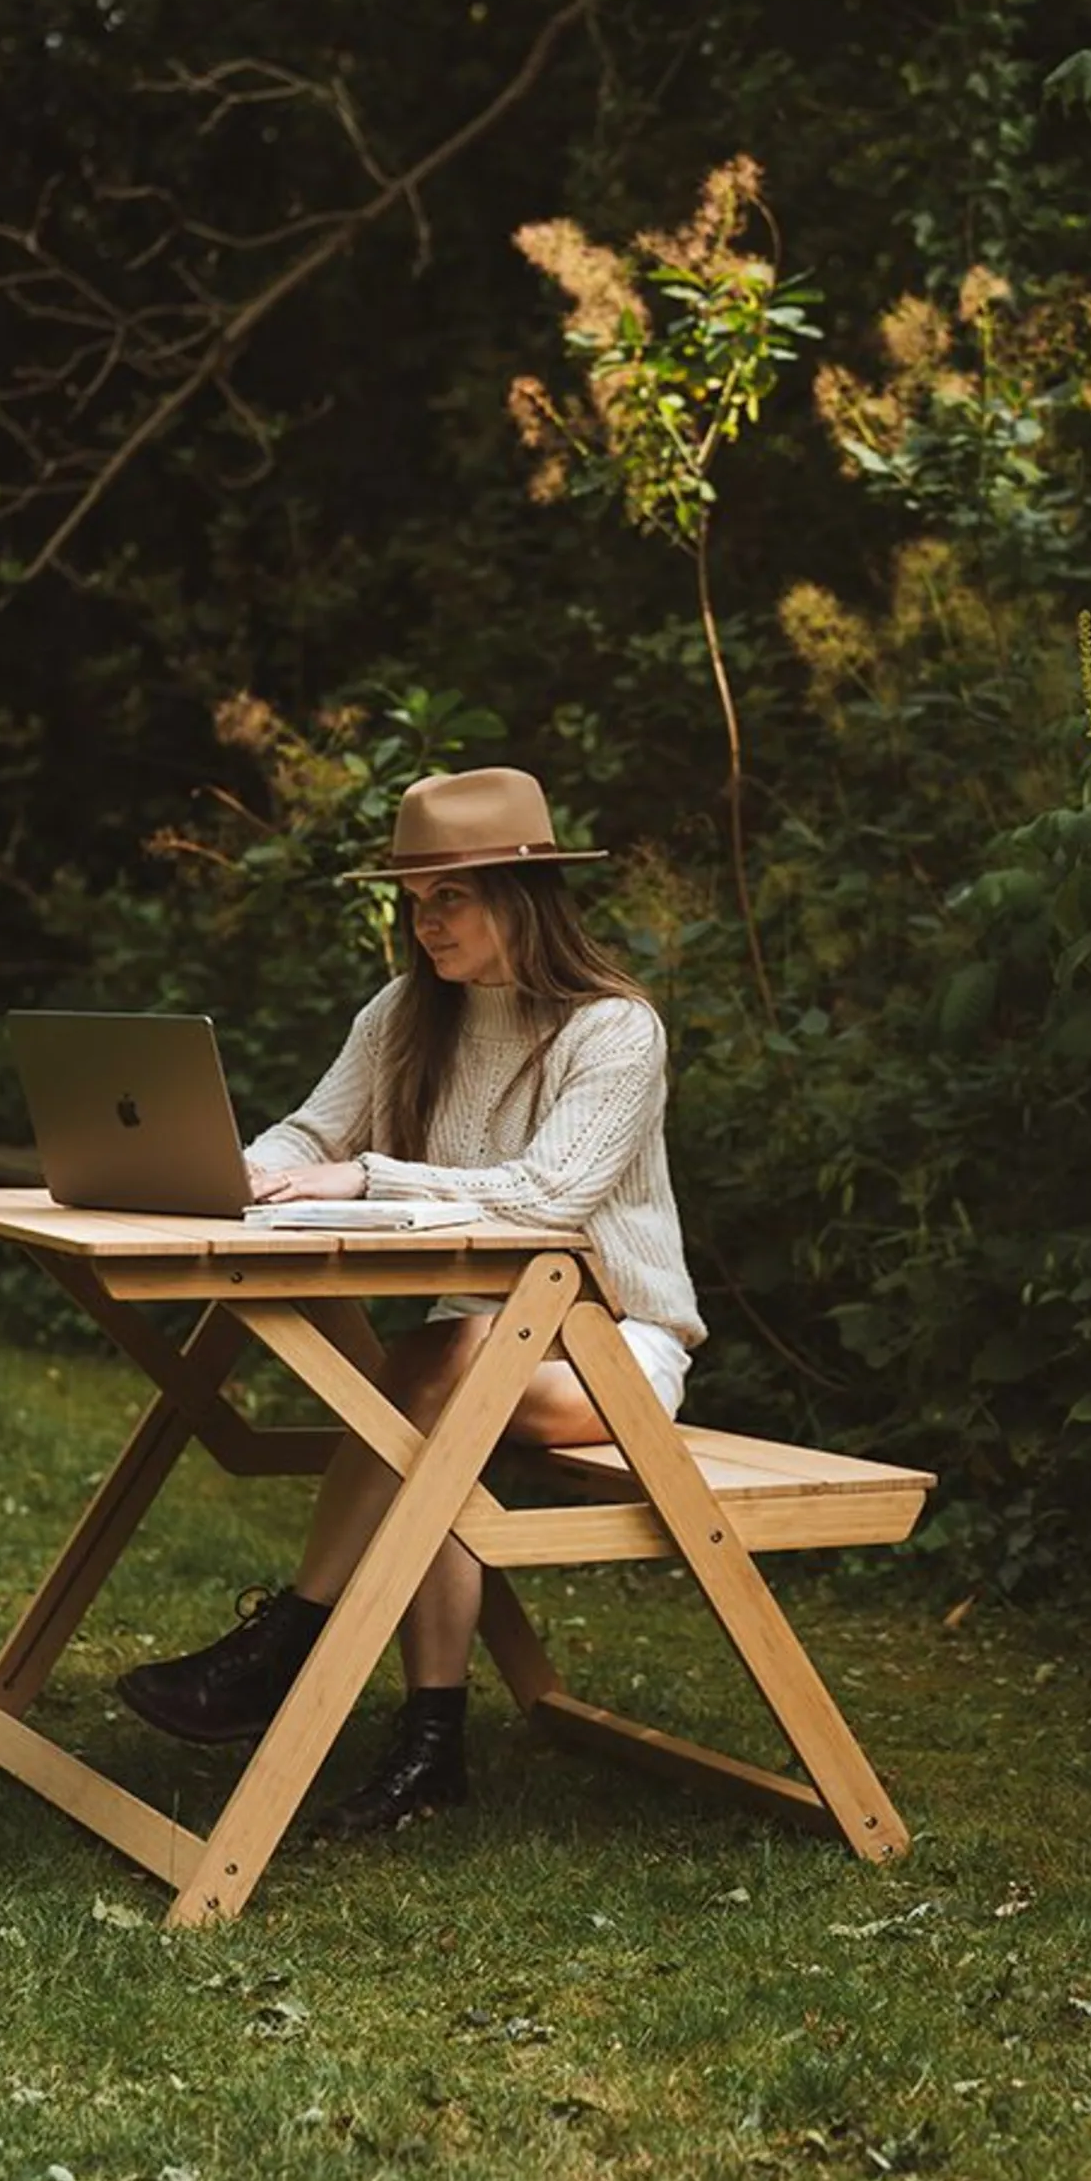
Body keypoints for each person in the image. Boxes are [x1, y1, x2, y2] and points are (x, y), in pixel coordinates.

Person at [116, 766, 705, 1836]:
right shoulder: (404, 1012)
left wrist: (370, 1179)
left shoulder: (612, 1032)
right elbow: (312, 1132)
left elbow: (551, 1194)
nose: (423, 922)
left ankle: (288, 1643)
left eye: (448, 897)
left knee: (428, 1379)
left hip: (614, 1347)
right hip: (475, 1349)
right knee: (436, 1416)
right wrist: (246, 1173)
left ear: (518, 898)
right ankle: (431, 1747)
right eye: (413, 899)